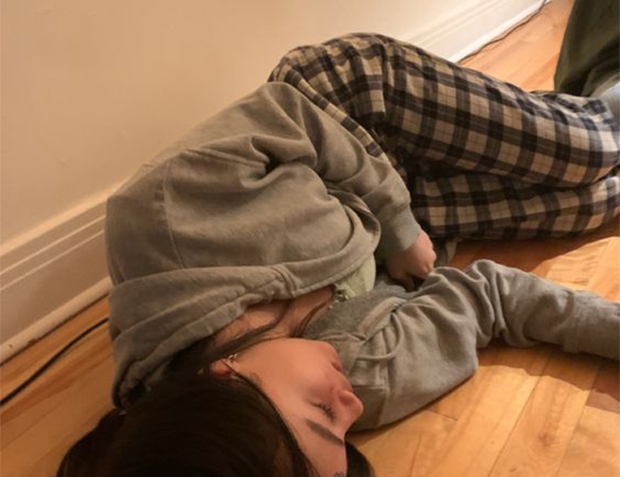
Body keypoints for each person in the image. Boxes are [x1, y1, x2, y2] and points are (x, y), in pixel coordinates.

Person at [58, 4, 620, 476]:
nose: (350, 409)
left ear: (225, 378)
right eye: (345, 442)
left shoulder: (159, 222)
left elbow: (291, 116)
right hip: (406, 214)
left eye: (323, 414)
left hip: (347, 111)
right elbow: (488, 299)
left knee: (587, 150)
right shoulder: (358, 381)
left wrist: (398, 226)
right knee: (595, 203)